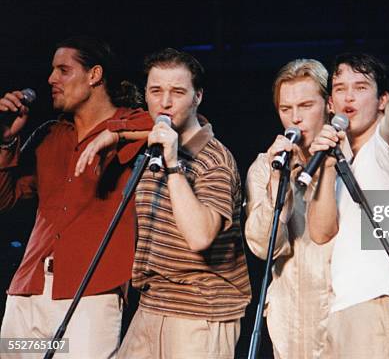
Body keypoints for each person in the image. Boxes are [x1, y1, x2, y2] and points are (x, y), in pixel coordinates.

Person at [0, 36, 151, 358]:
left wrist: (115, 133)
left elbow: (175, 128)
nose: (51, 79)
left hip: (91, 295)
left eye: (63, 70)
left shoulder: (134, 125)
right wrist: (6, 141)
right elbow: (6, 200)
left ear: (94, 75)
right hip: (28, 293)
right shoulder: (49, 136)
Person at [117, 48, 251, 359]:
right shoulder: (152, 149)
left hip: (200, 311)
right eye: (156, 91)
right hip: (152, 304)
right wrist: (114, 136)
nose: (165, 102)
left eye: (177, 92)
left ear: (197, 97)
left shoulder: (214, 160)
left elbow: (200, 237)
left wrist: (174, 164)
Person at [307, 53, 389, 359]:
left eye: (361, 87)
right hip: (346, 308)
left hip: (383, 304)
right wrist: (328, 167)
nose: (348, 97)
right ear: (330, 104)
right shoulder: (343, 160)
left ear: (382, 99)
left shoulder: (384, 150)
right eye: (340, 89)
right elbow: (320, 232)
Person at [245, 59, 333, 358]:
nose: (295, 118)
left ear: (328, 104)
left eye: (306, 105)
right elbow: (262, 245)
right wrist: (275, 180)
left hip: (341, 309)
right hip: (290, 318)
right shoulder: (264, 166)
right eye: (286, 109)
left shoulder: (350, 159)